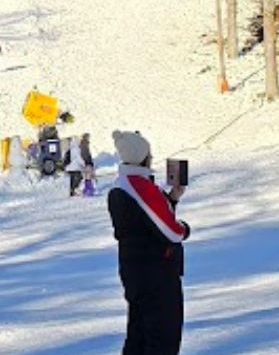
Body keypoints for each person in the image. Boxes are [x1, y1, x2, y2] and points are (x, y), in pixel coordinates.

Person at [108, 130, 189, 355]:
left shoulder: (121, 184)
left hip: (135, 271)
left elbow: (144, 224)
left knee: (139, 334)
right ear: (142, 156)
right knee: (162, 338)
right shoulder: (140, 186)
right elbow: (171, 232)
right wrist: (185, 229)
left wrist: (172, 199)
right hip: (155, 274)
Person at [67, 132, 94, 197]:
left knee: (73, 180)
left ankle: (72, 191)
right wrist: (83, 164)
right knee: (79, 179)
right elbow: (79, 158)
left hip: (71, 167)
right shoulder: (77, 148)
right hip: (76, 167)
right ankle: (77, 191)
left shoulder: (71, 148)